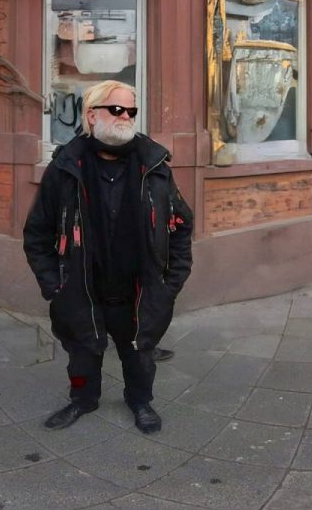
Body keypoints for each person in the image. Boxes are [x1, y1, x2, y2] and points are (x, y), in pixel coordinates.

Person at [22, 80, 193, 434]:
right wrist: (54, 285)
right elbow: (37, 233)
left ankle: (140, 401)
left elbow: (180, 227)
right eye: (117, 109)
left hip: (139, 290)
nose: (126, 117)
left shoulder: (155, 165)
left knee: (139, 356)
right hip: (82, 288)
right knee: (81, 355)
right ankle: (82, 399)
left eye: (131, 111)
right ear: (91, 114)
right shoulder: (66, 168)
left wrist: (168, 285)